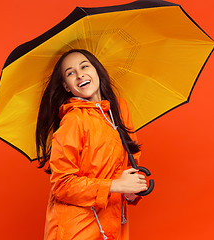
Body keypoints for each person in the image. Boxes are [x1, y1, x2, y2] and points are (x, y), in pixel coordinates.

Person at [36, 49, 148, 240]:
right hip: (76, 229)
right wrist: (115, 185)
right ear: (67, 86)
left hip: (111, 224)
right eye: (70, 73)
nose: (80, 75)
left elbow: (129, 164)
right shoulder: (73, 121)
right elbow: (62, 184)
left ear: (97, 70)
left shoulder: (119, 110)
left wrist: (130, 190)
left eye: (84, 66)